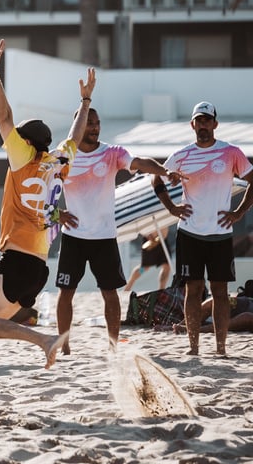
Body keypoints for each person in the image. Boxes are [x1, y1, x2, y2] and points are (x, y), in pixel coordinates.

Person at [0, 39, 91, 395]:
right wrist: (85, 101)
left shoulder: (24, 158)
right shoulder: (58, 163)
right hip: (38, 267)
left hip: (19, 259)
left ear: (26, 143)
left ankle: (43, 339)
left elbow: (3, 117)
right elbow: (75, 135)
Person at [54, 106, 182, 354]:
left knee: (110, 293)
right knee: (66, 293)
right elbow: (42, 188)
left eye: (97, 123)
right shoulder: (64, 157)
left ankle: (113, 346)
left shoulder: (111, 153)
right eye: (89, 123)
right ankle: (64, 346)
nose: (94, 127)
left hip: (104, 237)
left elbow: (140, 162)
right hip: (73, 237)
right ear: (77, 126)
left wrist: (165, 171)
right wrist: (58, 214)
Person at [152, 101, 253, 356]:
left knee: (220, 292)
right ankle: (193, 348)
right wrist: (172, 208)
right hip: (190, 233)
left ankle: (221, 349)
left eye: (208, 120)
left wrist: (239, 212)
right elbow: (157, 178)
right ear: (192, 124)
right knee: (193, 290)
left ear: (215, 124)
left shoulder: (231, 153)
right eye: (199, 120)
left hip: (220, 234)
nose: (204, 125)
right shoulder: (182, 155)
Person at [168, 293, 253, 333]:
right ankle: (181, 325)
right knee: (215, 300)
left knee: (248, 317)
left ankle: (193, 330)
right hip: (249, 302)